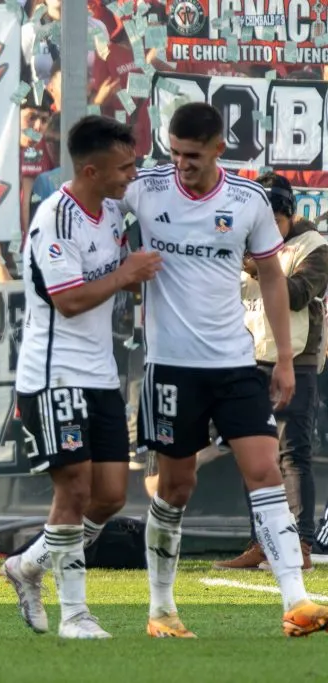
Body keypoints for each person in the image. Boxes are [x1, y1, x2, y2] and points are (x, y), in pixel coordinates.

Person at [126, 102, 328, 637]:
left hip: (236, 362)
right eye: (174, 152)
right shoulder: (146, 188)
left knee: (264, 470)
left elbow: (272, 275)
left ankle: (297, 601)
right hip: (171, 368)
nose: (181, 164)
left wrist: (285, 358)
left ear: (219, 149)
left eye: (192, 155)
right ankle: (161, 609)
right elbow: (91, 199)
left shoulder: (249, 201)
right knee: (175, 487)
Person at [0, 116, 159, 639]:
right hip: (54, 375)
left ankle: (28, 565)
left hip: (99, 373)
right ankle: (75, 614)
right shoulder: (54, 220)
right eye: (123, 167)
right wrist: (125, 274)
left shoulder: (113, 209)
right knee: (73, 490)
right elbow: (67, 301)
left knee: (111, 495)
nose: (131, 175)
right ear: (91, 171)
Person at [212, 176, 328, 572]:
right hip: (246, 358)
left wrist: (257, 267)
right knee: (253, 457)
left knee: (293, 454)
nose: (266, 230)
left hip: (297, 359)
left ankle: (301, 544)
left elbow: (297, 293)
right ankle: (262, 542)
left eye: (273, 221)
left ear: (289, 214)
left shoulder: (314, 246)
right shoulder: (243, 242)